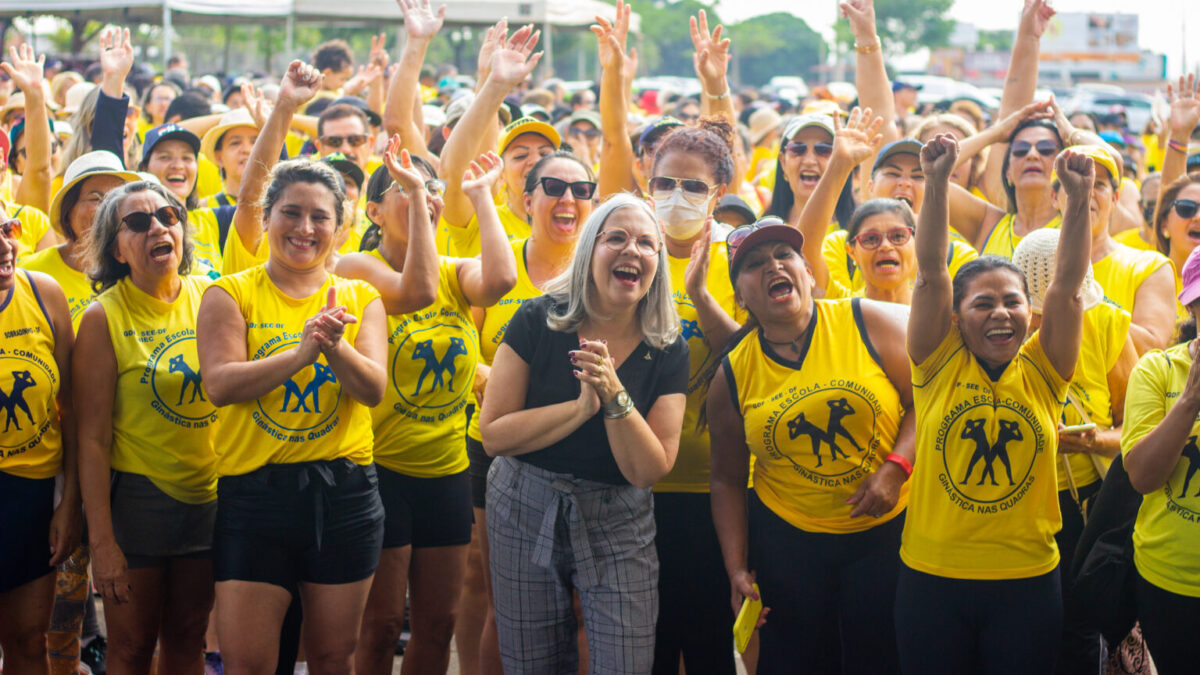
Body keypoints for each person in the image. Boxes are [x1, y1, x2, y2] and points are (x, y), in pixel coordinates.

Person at [194, 60, 387, 675]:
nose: (304, 228)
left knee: (335, 656)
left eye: (320, 217)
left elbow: (374, 389)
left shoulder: (360, 299)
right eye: (291, 213)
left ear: (341, 226)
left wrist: (334, 348)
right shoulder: (232, 291)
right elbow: (220, 385)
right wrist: (301, 352)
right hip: (255, 497)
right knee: (251, 662)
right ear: (267, 216)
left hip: (346, 495)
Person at [896, 135, 1092, 673]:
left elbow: (1068, 290)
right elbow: (932, 273)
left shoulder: (1043, 371)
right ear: (956, 318)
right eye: (983, 303)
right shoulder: (936, 366)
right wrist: (935, 182)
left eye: (1013, 302)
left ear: (1031, 312)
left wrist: (1077, 201)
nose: (1001, 313)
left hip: (1026, 582)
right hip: (932, 578)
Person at [479, 193, 688, 672]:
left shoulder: (668, 345)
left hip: (620, 517)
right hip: (523, 504)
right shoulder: (536, 318)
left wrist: (614, 397)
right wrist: (579, 409)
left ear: (658, 262)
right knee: (533, 662)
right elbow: (494, 435)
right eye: (616, 237)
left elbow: (648, 469)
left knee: (626, 660)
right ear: (590, 248)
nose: (631, 250)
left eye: (645, 243)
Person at [706, 211, 915, 673]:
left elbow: (924, 401)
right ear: (740, 295)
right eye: (756, 264)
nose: (775, 267)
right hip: (789, 544)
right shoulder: (732, 375)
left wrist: (896, 467)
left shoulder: (865, 320)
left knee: (883, 660)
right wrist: (736, 568)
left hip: (887, 535)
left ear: (807, 271)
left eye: (785, 255)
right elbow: (725, 479)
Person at [338, 142, 516, 673]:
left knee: (438, 624)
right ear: (372, 212)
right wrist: (420, 192)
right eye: (405, 188)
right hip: (379, 470)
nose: (427, 197)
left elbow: (502, 280)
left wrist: (482, 196)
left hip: (446, 471)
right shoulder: (356, 267)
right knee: (383, 624)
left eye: (434, 189)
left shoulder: (454, 272)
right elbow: (411, 293)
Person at [74, 181, 217, 675]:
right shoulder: (103, 316)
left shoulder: (213, 296)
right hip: (139, 501)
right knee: (132, 649)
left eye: (167, 215)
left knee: (189, 638)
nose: (157, 226)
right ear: (116, 248)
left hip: (213, 497)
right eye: (137, 222)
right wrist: (102, 543)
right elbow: (91, 440)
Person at [464, 149, 596, 671]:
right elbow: (463, 347)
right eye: (554, 187)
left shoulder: (606, 270)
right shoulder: (498, 265)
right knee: (506, 603)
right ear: (528, 199)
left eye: (581, 191)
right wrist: (493, 379)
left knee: (582, 605)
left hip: (583, 453)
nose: (568, 199)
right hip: (499, 451)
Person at [0, 215, 79, 675]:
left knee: (30, 640)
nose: (4, 246)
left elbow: (69, 405)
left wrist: (68, 503)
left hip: (32, 492)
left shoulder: (43, 292)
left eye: (6, 231)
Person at [1121, 244, 1200, 675]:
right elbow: (1142, 477)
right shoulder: (1156, 371)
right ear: (1190, 306)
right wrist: (1190, 398)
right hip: (1169, 582)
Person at [20, 150, 139, 329]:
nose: (106, 208)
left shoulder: (139, 271)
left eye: (116, 199)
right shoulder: (29, 274)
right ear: (68, 211)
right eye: (95, 198)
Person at [138, 123, 225, 271]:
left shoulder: (215, 220)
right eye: (165, 157)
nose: (178, 165)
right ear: (144, 168)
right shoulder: (135, 227)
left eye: (186, 158)